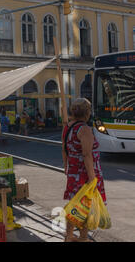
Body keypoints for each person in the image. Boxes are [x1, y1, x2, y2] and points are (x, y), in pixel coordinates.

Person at [62, 98, 106, 242]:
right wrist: (93, 178)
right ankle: (81, 237)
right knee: (85, 207)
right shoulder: (84, 129)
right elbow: (87, 154)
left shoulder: (68, 126)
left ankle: (69, 236)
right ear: (87, 113)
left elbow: (64, 148)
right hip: (85, 174)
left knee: (76, 205)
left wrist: (66, 166)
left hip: (74, 172)